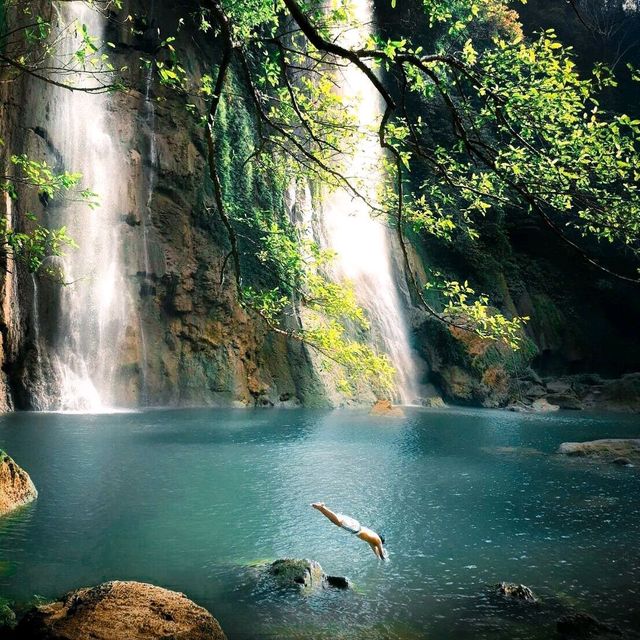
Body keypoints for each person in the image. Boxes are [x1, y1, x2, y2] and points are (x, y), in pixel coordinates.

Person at [311, 502, 387, 559]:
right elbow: (381, 555)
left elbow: (377, 554)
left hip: (357, 525)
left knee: (336, 520)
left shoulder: (372, 541)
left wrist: (379, 557)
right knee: (337, 521)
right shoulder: (378, 541)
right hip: (356, 529)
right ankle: (322, 507)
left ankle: (321, 507)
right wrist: (386, 559)